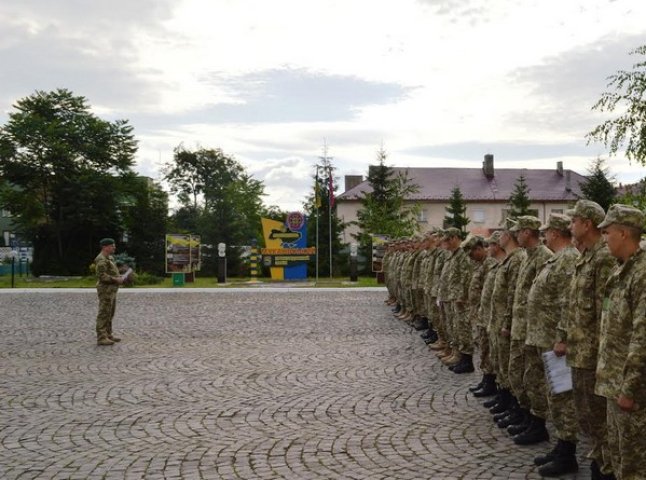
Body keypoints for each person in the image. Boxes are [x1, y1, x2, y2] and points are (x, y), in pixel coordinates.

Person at [554, 200, 615, 480]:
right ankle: (598, 461)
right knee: (587, 416)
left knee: (599, 417)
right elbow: (573, 306)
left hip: (593, 356)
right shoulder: (586, 257)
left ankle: (604, 469)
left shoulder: (603, 258)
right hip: (579, 354)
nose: (570, 226)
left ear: (587, 224)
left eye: (574, 221)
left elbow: (606, 314)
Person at [595, 204, 646, 480]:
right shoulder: (621, 271)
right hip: (613, 383)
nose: (604, 238)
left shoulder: (642, 274)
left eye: (608, 232)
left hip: (631, 390)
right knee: (617, 456)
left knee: (634, 464)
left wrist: (630, 388)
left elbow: (642, 337)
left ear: (624, 233)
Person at [95, 238, 125, 346]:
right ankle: (101, 337)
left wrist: (119, 277)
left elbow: (111, 272)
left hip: (111, 290)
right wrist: (116, 279)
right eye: (112, 245)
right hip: (105, 290)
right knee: (104, 313)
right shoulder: (101, 259)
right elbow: (102, 276)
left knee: (110, 312)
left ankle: (108, 334)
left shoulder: (109, 258)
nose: (114, 247)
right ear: (105, 247)